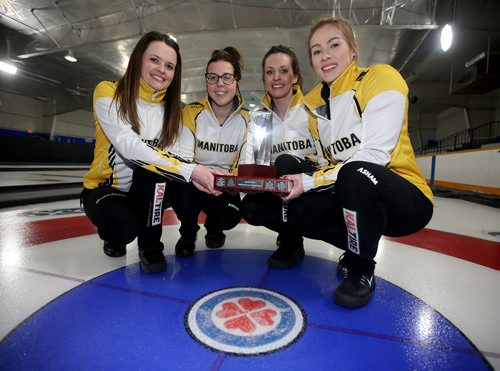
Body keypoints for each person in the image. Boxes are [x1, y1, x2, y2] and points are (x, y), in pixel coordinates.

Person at [281, 16, 434, 308]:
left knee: (355, 172)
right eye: (316, 50)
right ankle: (353, 243)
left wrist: (309, 181)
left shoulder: (380, 77)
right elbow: (317, 159)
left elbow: (375, 155)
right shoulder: (311, 102)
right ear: (311, 61)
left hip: (403, 198)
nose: (325, 55)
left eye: (334, 44)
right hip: (350, 193)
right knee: (294, 193)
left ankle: (361, 268)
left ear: (354, 49)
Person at [81, 31, 222, 274]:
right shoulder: (109, 92)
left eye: (169, 66)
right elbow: (129, 146)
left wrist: (201, 171)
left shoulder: (172, 112)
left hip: (146, 192)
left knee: (155, 170)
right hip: (108, 190)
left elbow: (177, 158)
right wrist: (192, 170)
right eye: (154, 60)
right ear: (138, 59)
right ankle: (114, 235)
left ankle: (150, 245)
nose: (162, 70)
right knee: (123, 227)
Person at [239, 45, 325, 268]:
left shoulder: (313, 110)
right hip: (279, 189)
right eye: (269, 72)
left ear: (295, 76)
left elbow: (328, 158)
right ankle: (291, 236)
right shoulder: (259, 119)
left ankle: (295, 239)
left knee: (286, 161)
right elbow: (255, 166)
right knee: (250, 207)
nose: (276, 78)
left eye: (284, 71)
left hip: (313, 188)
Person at [169, 47, 249, 257]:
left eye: (227, 77)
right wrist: (200, 173)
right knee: (180, 192)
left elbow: (246, 164)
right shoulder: (192, 112)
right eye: (212, 77)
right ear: (206, 82)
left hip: (225, 186)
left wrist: (229, 179)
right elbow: (183, 157)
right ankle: (188, 231)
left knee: (230, 216)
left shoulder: (248, 120)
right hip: (194, 181)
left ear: (237, 82)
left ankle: (215, 227)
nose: (219, 84)